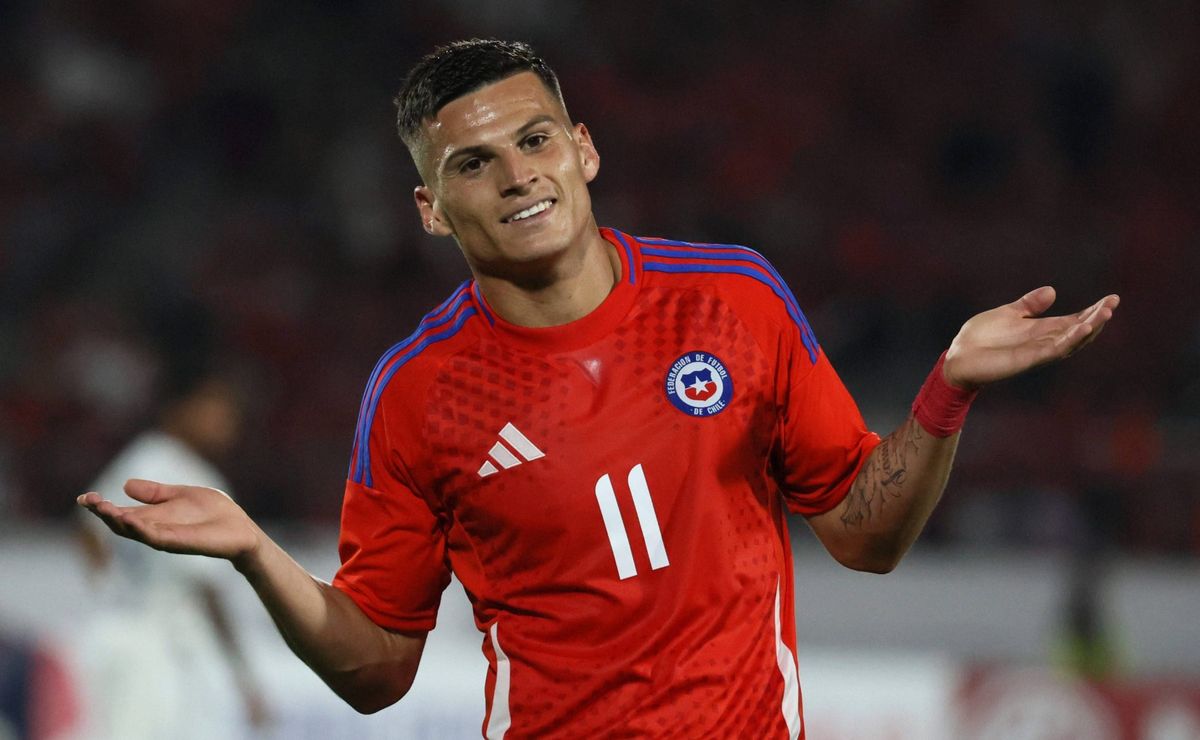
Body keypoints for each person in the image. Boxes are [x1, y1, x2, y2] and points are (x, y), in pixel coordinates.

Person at [78, 39, 1119, 738]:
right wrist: (258, 555)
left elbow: (865, 534)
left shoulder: (734, 298)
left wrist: (945, 392)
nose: (518, 175)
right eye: (473, 164)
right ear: (430, 209)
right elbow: (380, 669)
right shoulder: (416, 392)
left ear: (583, 150)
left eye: (535, 140)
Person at [75, 364, 270, 738]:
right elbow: (208, 591)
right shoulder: (168, 467)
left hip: (154, 641)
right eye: (215, 406)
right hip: (150, 647)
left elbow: (87, 530)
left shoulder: (167, 463)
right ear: (181, 407)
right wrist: (243, 676)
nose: (226, 421)